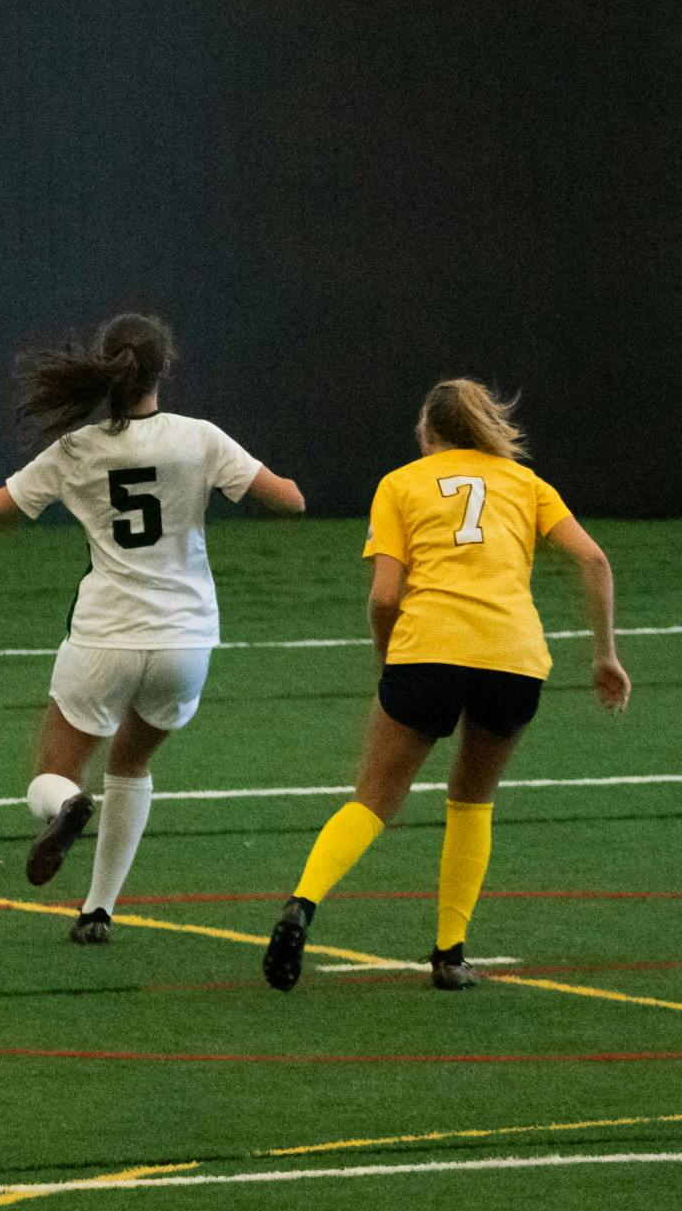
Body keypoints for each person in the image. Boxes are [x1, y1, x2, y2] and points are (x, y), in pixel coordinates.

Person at [0, 312, 304, 944]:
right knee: (131, 767)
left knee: (53, 774)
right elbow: (289, 500)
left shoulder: (75, 449)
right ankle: (98, 909)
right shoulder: (199, 438)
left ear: (104, 369)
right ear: (164, 369)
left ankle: (65, 808)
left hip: (104, 638)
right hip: (185, 639)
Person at [262, 379, 629, 992]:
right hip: (513, 659)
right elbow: (593, 559)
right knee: (471, 802)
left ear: (428, 430)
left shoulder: (400, 483)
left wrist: (389, 655)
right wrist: (605, 655)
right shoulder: (527, 484)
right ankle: (450, 954)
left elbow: (385, 594)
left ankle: (303, 903)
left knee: (373, 800)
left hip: (427, 654)